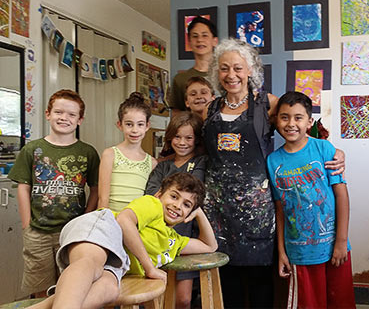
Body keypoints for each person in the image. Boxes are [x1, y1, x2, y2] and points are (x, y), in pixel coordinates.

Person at [202, 38, 346, 308]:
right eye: (224, 68)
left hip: (258, 212)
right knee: (226, 280)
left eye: (237, 68)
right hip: (219, 211)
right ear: (216, 72)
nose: (231, 75)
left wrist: (335, 151)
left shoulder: (266, 103)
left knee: (261, 285)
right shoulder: (209, 109)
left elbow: (302, 124)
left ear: (250, 70)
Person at [29, 172, 217, 309]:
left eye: (186, 205)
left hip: (118, 261)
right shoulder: (152, 205)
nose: (177, 205)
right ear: (159, 195)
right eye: (174, 196)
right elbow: (124, 221)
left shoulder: (173, 241)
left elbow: (210, 245)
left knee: (109, 290)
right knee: (90, 263)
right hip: (104, 228)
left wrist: (199, 213)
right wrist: (149, 267)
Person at [267, 92, 355, 309]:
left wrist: (341, 242)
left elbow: (341, 195)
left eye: (298, 117)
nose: (291, 123)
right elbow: (280, 209)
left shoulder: (324, 149)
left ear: (309, 122)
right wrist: (282, 253)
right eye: (284, 117)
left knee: (340, 302)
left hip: (334, 247)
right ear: (276, 121)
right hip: (300, 254)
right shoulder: (273, 160)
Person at [8, 89, 100, 297]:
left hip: (72, 232)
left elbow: (95, 189)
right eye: (59, 112)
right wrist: (26, 225)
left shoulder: (88, 152)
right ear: (48, 114)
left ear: (80, 119)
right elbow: (23, 187)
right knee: (40, 287)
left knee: (71, 285)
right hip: (37, 232)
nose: (64, 118)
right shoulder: (32, 149)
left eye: (71, 114)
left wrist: (85, 218)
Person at [145, 111, 206, 309]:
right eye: (177, 137)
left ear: (196, 139)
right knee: (157, 296)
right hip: (158, 237)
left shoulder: (201, 162)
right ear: (170, 137)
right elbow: (152, 194)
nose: (182, 142)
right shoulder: (163, 166)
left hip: (187, 238)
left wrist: (170, 196)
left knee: (183, 299)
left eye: (188, 137)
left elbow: (194, 190)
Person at [98, 92, 157, 212]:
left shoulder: (152, 162)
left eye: (140, 124)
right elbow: (103, 199)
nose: (135, 130)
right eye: (129, 124)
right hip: (110, 220)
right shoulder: (110, 154)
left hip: (135, 222)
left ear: (147, 126)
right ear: (120, 125)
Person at [170, 16, 218, 115]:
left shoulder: (225, 76)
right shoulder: (180, 79)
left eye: (204, 35)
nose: (199, 40)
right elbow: (176, 116)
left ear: (215, 41)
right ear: (189, 42)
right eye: (195, 36)